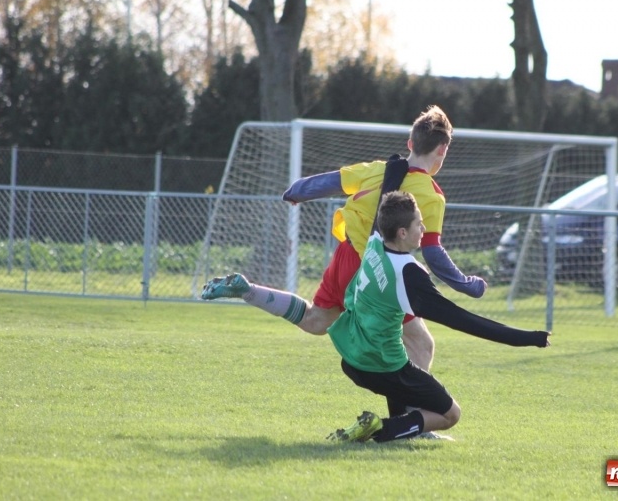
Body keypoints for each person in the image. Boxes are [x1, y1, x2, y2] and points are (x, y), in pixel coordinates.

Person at [201, 106, 486, 374]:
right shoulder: (432, 195)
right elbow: (433, 253)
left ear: (410, 143)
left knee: (315, 320)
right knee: (421, 345)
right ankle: (411, 411)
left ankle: (248, 290)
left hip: (345, 256)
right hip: (377, 271)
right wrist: (467, 284)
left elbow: (329, 182)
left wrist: (297, 191)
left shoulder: (376, 169)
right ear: (442, 149)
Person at [325, 191, 551, 443]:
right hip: (381, 365)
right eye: (418, 223)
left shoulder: (375, 242)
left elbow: (385, 198)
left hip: (352, 357)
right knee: (450, 414)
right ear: (402, 232)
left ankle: (397, 431)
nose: (423, 228)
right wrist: (528, 338)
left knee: (403, 362)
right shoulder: (407, 273)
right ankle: (380, 429)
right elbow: (462, 320)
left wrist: (395, 176)